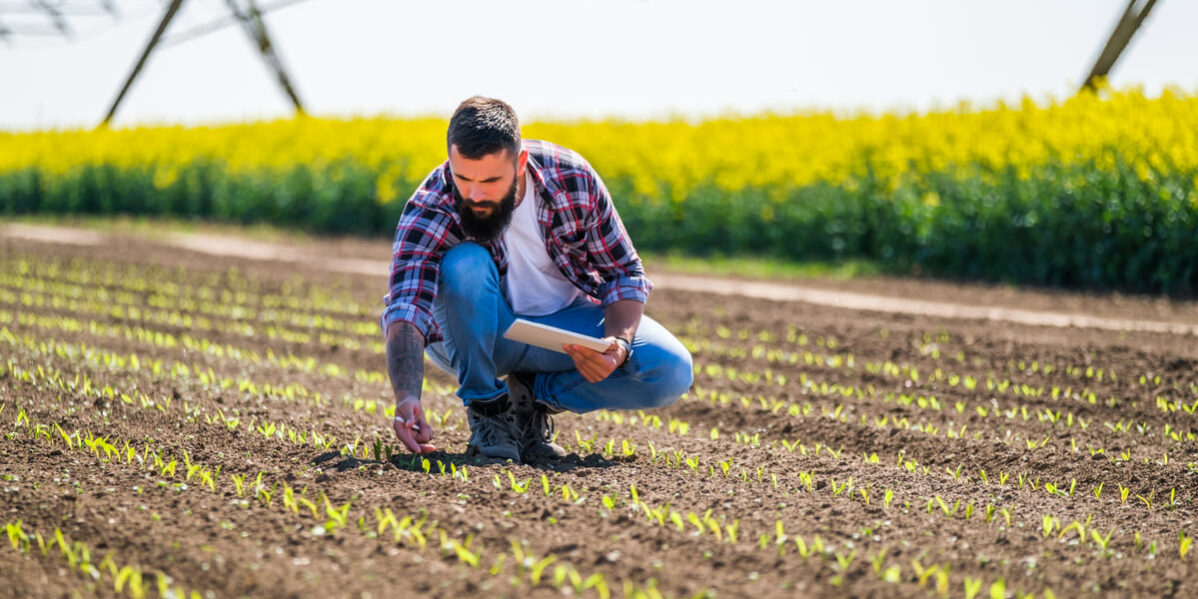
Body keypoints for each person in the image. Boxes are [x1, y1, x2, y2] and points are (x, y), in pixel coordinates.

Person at [381, 96, 693, 462]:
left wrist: (618, 344)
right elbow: (407, 305)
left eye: (492, 180)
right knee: (465, 261)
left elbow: (622, 272)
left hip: (560, 335)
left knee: (669, 369)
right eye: (463, 177)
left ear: (521, 162)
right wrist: (406, 397)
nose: (475, 194)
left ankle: (534, 395)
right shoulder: (434, 201)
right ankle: (487, 409)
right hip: (479, 337)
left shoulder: (571, 178)